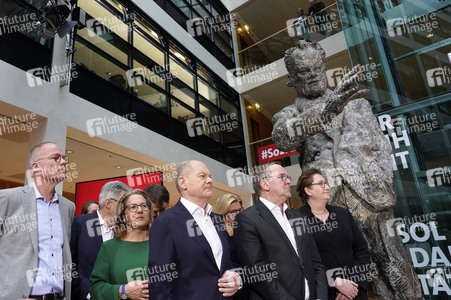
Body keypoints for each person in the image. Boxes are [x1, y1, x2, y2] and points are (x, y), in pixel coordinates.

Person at [272, 40, 423, 298]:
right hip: (329, 205)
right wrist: (327, 112)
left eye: (317, 68)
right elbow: (283, 137)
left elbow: (380, 146)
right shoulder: (289, 114)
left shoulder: (356, 102)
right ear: (292, 79)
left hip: (370, 198)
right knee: (352, 277)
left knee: (395, 265)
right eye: (305, 71)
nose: (313, 75)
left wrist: (381, 182)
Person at [233, 161, 327, 300]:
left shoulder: (298, 218)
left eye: (287, 177)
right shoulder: (246, 219)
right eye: (282, 177)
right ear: (265, 184)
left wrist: (320, 297)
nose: (288, 181)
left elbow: (315, 262)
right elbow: (257, 272)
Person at [148, 160, 240, 300]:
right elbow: (159, 283)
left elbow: (225, 263)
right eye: (202, 176)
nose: (210, 180)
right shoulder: (166, 223)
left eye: (210, 176)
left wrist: (236, 278)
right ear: (183, 182)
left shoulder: (215, 219)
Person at [0, 141, 75, 300]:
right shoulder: (7, 199)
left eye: (64, 159)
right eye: (56, 158)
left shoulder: (68, 207)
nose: (63, 162)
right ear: (36, 166)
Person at [296, 168, 371, 300]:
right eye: (321, 184)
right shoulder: (297, 220)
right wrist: (335, 282)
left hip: (355, 291)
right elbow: (301, 261)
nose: (327, 187)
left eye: (326, 183)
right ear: (308, 190)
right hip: (323, 294)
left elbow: (362, 250)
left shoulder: (343, 214)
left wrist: (354, 286)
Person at [70, 181, 132, 300]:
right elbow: (68, 263)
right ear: (108, 203)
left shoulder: (125, 231)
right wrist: (85, 292)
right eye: (125, 205)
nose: (127, 210)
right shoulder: (79, 224)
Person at [89, 189, 152, 300]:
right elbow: (96, 288)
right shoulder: (109, 248)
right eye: (133, 207)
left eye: (144, 206)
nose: (140, 210)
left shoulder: (162, 244)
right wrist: (123, 290)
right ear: (123, 216)